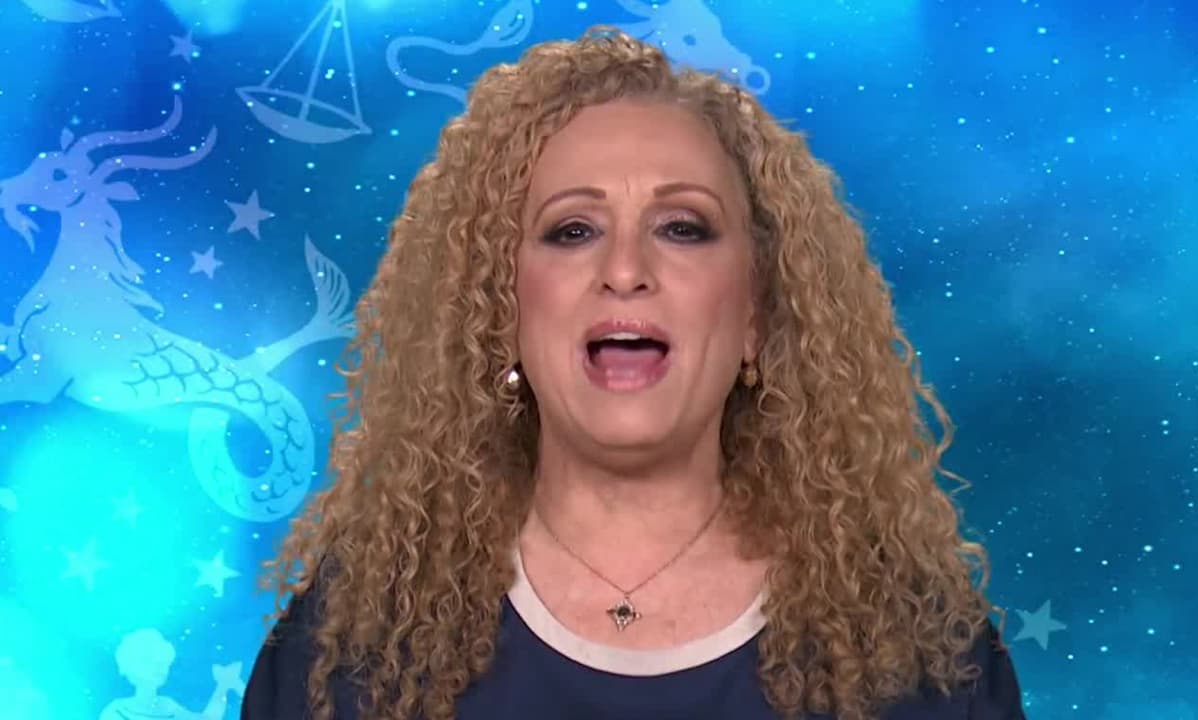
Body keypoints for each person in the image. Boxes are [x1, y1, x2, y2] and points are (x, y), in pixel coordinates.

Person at [240, 26, 1027, 720]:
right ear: (500, 308)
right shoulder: (347, 649)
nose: (624, 270)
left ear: (756, 314)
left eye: (682, 228)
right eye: (572, 230)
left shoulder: (925, 657)